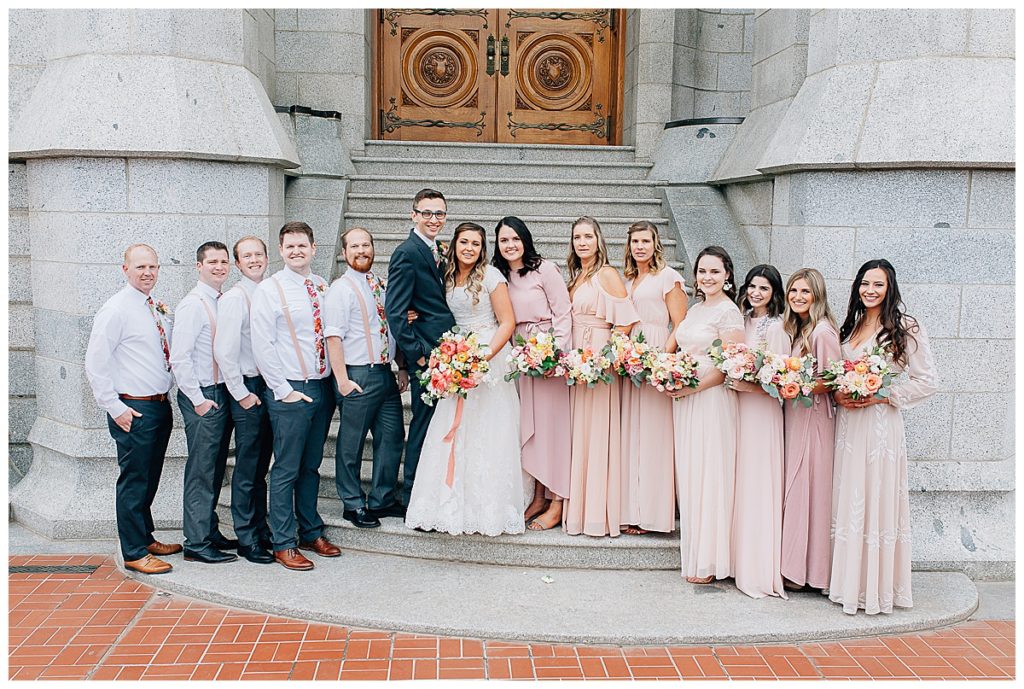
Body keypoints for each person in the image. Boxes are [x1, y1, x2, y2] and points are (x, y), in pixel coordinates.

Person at [405, 222, 526, 535]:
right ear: (454, 245)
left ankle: (487, 509)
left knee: (487, 430)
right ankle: (447, 505)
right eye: (464, 242)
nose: (469, 248)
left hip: (488, 358)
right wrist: (414, 314)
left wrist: (480, 358)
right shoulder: (443, 276)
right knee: (453, 430)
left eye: (475, 243)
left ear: (482, 248)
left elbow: (507, 322)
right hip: (455, 354)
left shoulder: (491, 276)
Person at [830, 259, 936, 614]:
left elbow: (927, 381)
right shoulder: (852, 324)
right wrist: (839, 393)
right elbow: (838, 372)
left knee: (874, 496)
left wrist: (881, 394)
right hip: (848, 426)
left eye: (877, 284)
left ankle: (875, 589)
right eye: (864, 283)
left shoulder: (905, 327)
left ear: (890, 287)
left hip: (880, 426)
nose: (870, 290)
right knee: (851, 496)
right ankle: (848, 583)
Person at [251, 222, 341, 570]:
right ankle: (283, 541)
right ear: (280, 250)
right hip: (290, 388)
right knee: (286, 468)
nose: (296, 251)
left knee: (311, 466)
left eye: (302, 246)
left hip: (320, 386)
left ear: (314, 248)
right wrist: (283, 389)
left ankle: (310, 529)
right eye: (289, 247)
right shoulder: (270, 290)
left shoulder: (322, 286)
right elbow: (263, 344)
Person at [85, 244, 179, 574]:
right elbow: (95, 364)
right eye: (140, 267)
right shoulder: (116, 309)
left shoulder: (154, 306)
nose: (147, 272)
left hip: (158, 406)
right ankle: (134, 551)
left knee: (149, 477)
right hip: (134, 409)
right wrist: (115, 408)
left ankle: (145, 536)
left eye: (152, 267)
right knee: (134, 480)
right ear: (124, 269)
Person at [667, 246, 744, 584]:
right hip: (687, 399)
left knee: (710, 473)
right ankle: (695, 554)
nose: (707, 277)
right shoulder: (696, 309)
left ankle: (711, 560)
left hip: (711, 399)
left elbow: (729, 368)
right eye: (702, 271)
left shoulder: (729, 313)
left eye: (714, 271)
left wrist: (691, 388)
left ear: (727, 275)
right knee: (692, 472)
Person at [325, 228, 409, 529]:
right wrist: (343, 381)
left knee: (392, 437)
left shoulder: (380, 285)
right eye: (355, 246)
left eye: (366, 245)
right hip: (357, 374)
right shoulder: (340, 289)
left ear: (374, 248)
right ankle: (352, 503)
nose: (362, 250)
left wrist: (400, 366)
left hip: (384, 373)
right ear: (345, 252)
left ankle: (382, 499)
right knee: (351, 443)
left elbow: (391, 329)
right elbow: (332, 338)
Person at [494, 216, 572, 531]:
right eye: (503, 240)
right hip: (521, 360)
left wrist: (555, 353)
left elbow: (563, 312)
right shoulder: (500, 277)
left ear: (525, 240)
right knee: (533, 430)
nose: (510, 245)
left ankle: (557, 501)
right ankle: (538, 496)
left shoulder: (545, 269)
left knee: (554, 430)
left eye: (515, 238)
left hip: (549, 358)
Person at [564, 216, 639, 538]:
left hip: (597, 361)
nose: (582, 242)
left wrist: (602, 357)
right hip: (576, 360)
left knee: (597, 434)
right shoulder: (576, 276)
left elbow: (626, 323)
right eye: (577, 237)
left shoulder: (606, 274)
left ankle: (597, 514)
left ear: (599, 241)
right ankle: (578, 511)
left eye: (588, 236)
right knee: (579, 434)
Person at [384, 188, 457, 509]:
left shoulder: (439, 249)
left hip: (449, 353)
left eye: (439, 213)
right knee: (423, 424)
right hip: (427, 356)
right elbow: (396, 313)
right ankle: (413, 494)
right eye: (426, 213)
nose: (433, 219)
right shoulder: (407, 252)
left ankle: (436, 489)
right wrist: (419, 355)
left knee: (441, 423)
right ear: (413, 214)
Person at [170, 241, 238, 564]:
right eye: (212, 261)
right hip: (203, 394)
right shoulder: (193, 305)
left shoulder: (222, 301)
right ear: (199, 266)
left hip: (220, 392)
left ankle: (208, 529)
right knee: (201, 468)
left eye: (224, 261)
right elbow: (179, 359)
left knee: (214, 467)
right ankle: (196, 542)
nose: (219, 267)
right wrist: (197, 400)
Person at [619, 220, 686, 535]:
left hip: (657, 355)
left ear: (655, 244)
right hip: (632, 361)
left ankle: (654, 515)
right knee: (635, 433)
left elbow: (680, 323)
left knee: (655, 435)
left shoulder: (668, 277)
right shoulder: (630, 279)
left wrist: (661, 359)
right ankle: (634, 507)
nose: (640, 246)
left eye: (645, 241)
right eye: (635, 242)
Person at [727, 264, 789, 599]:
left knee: (757, 480)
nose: (756, 293)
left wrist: (746, 384)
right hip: (738, 408)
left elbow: (779, 380)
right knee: (739, 480)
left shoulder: (777, 328)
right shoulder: (740, 320)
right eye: (752, 286)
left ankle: (758, 568)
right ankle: (737, 559)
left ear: (774, 292)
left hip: (762, 411)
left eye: (763, 288)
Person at [213, 236, 275, 564]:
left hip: (269, 385)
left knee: (262, 463)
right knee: (248, 465)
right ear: (237, 264)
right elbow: (224, 351)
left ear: (267, 258)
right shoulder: (236, 298)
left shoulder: (267, 291)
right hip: (248, 387)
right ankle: (246, 536)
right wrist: (242, 394)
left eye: (258, 254)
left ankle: (261, 528)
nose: (253, 260)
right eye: (246, 256)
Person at [780, 268, 841, 592]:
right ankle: (795, 565)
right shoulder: (801, 330)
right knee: (797, 488)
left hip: (814, 418)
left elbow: (831, 380)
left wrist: (795, 384)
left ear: (817, 296)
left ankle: (807, 572)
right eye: (793, 292)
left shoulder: (822, 333)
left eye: (805, 292)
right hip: (797, 415)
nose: (798, 298)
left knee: (808, 491)